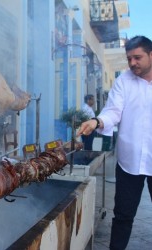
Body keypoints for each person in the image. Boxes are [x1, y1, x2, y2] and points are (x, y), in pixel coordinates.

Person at [77, 35, 152, 250]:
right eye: (129, 58)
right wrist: (97, 120)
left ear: (151, 55)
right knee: (122, 216)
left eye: (137, 57)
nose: (132, 63)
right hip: (130, 161)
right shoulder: (123, 81)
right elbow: (113, 112)